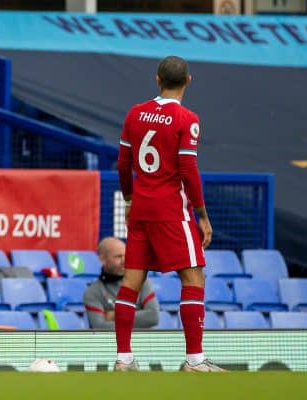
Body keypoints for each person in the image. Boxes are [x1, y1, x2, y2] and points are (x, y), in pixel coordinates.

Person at [114, 56, 224, 372]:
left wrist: (130, 198)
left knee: (131, 280)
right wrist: (202, 214)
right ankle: (194, 360)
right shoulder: (187, 118)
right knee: (193, 276)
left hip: (141, 208)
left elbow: (123, 164)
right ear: (188, 80)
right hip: (171, 210)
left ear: (157, 79)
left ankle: (123, 359)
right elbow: (188, 169)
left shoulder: (135, 113)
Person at [84, 237, 159, 329]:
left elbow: (153, 317)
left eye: (126, 255)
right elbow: (100, 328)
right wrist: (139, 318)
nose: (124, 261)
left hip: (144, 342)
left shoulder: (142, 281)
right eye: (118, 256)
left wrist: (114, 315)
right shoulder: (92, 292)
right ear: (102, 259)